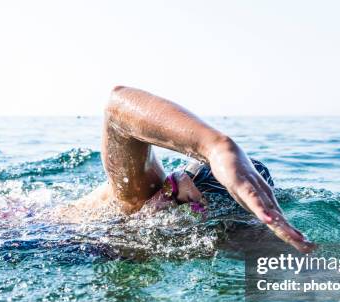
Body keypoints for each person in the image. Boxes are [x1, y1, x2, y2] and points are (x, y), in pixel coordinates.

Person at [59, 86, 315, 253]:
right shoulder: (143, 194)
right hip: (37, 232)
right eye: (185, 205)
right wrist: (217, 147)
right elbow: (117, 106)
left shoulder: (219, 238)